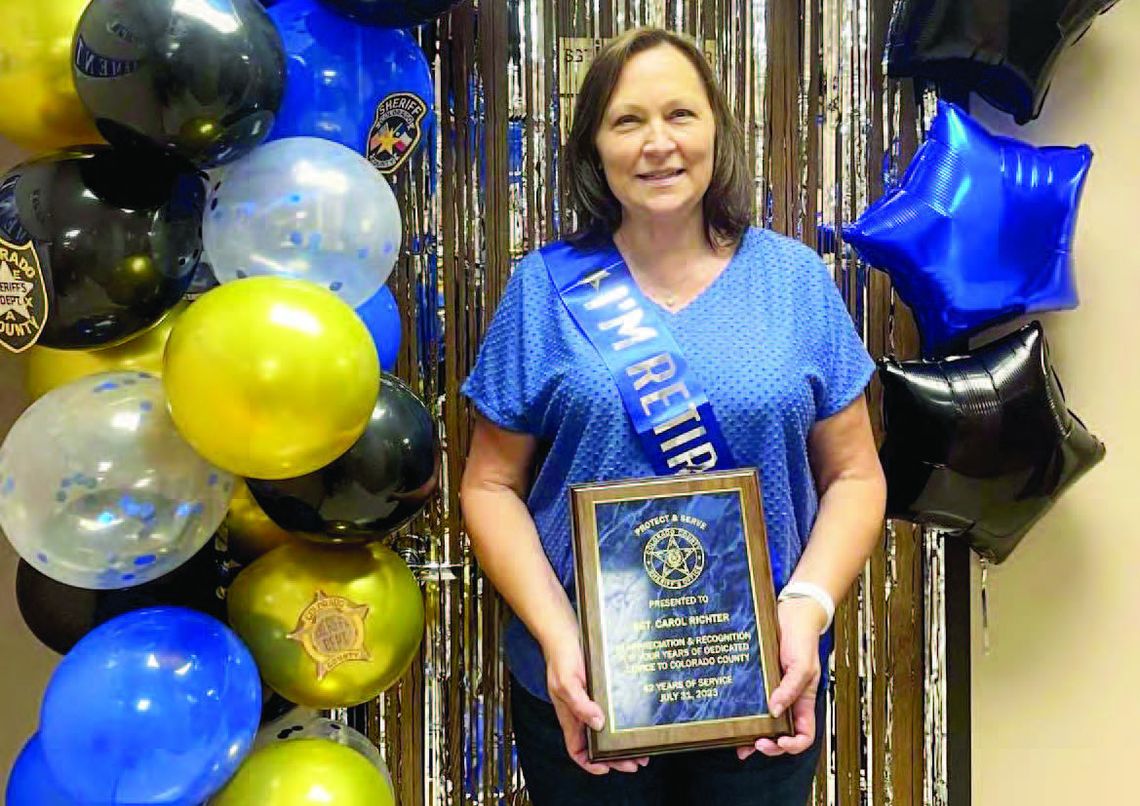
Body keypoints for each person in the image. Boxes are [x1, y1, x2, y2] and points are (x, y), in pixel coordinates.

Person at [459, 26, 886, 805]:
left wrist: (807, 607)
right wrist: (561, 639)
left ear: (717, 130)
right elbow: (489, 486)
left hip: (761, 676)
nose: (657, 142)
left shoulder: (792, 280)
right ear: (594, 145)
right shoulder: (544, 291)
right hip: (589, 689)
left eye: (680, 115)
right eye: (627, 121)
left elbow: (856, 473)